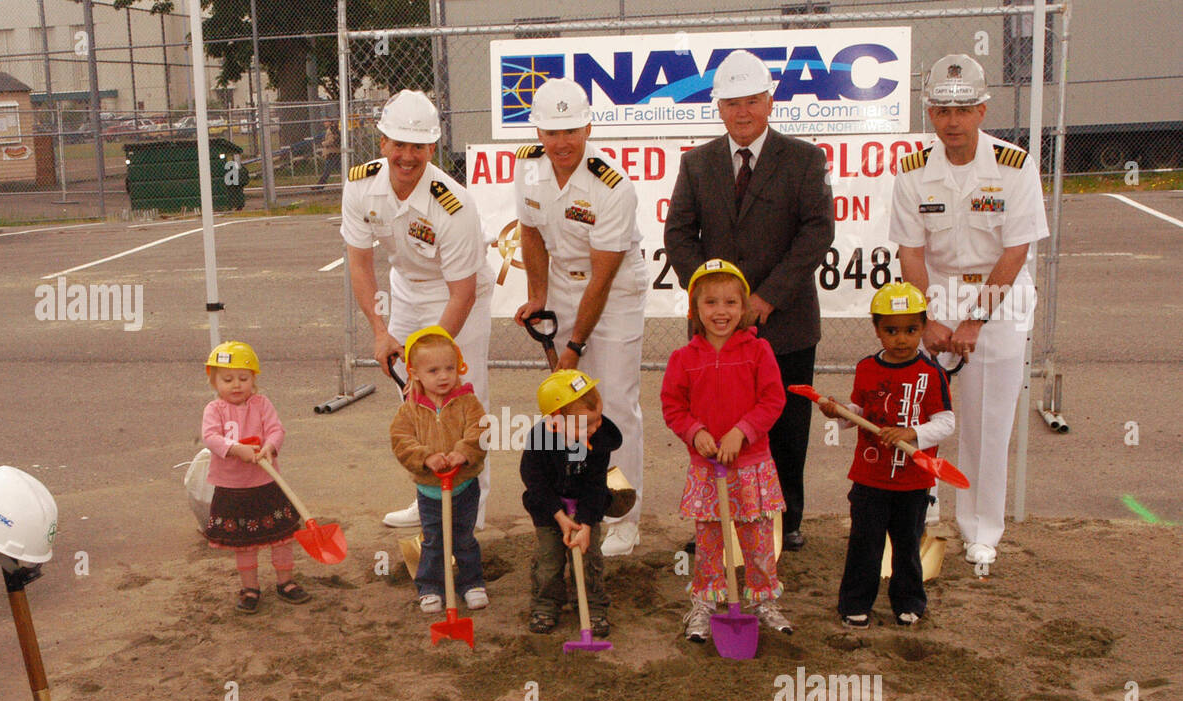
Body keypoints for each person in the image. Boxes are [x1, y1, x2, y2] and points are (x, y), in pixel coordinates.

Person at [665, 50, 834, 553]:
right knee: (715, 428)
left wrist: (764, 298)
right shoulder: (696, 164)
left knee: (784, 429)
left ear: (770, 101)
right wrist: (713, 302)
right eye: (732, 103)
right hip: (714, 331)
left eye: (752, 101)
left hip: (787, 323)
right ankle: (716, 520)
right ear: (718, 107)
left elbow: (816, 233)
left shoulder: (805, 159)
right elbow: (678, 235)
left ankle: (786, 520)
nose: (742, 112)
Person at [888, 54, 1049, 568]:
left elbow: (1016, 249)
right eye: (940, 110)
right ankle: (920, 514)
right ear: (929, 113)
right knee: (918, 415)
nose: (952, 121)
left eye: (963, 110)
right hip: (934, 296)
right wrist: (926, 320)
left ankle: (981, 531)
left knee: (986, 422)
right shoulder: (914, 171)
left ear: (983, 110)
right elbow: (910, 251)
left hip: (997, 300)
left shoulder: (1014, 166)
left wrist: (975, 320)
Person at [340, 89, 494, 529]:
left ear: (432, 147)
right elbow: (360, 261)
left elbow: (462, 292)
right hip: (405, 288)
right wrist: (379, 330)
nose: (407, 156)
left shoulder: (454, 203)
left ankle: (471, 512)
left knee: (464, 394)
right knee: (414, 395)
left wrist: (430, 349)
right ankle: (428, 494)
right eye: (398, 144)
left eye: (418, 146)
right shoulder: (359, 185)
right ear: (382, 141)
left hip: (458, 294)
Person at [513, 78, 648, 557]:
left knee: (613, 406)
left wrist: (571, 349)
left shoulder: (612, 186)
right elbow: (529, 233)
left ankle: (624, 515)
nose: (562, 142)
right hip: (565, 288)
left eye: (571, 130)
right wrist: (537, 296)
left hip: (612, 292)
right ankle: (576, 504)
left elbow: (603, 278)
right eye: (552, 132)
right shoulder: (528, 170)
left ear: (588, 126)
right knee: (568, 414)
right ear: (539, 133)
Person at [661, 259, 792, 641]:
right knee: (708, 542)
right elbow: (673, 406)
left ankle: (763, 602)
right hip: (707, 470)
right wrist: (694, 431)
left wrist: (742, 432)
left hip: (752, 466)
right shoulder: (683, 359)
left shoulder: (759, 351)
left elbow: (772, 400)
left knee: (758, 541)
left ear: (744, 307)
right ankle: (703, 605)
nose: (721, 312)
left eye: (731, 303)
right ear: (695, 310)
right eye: (712, 303)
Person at [817, 283, 956, 628]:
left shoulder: (933, 373)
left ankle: (909, 600)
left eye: (911, 330)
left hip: (913, 480)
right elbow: (862, 412)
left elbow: (946, 423)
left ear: (923, 327)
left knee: (907, 544)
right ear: (877, 330)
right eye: (891, 331)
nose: (901, 339)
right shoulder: (866, 368)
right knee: (865, 542)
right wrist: (840, 413)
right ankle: (855, 602)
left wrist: (913, 433)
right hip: (869, 476)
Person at [200, 340, 310, 613]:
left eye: (243, 378)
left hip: (266, 483)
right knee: (244, 542)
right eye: (227, 379)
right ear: (214, 382)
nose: (236, 385)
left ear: (254, 380)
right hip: (233, 487)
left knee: (281, 535)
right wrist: (236, 449)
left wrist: (270, 448)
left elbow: (276, 430)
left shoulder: (262, 404)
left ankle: (285, 581)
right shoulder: (214, 410)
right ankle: (250, 587)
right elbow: (210, 438)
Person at [389, 326, 488, 614]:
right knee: (433, 539)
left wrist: (463, 452)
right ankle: (430, 587)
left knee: (464, 537)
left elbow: (481, 430)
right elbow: (401, 441)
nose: (443, 376)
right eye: (433, 371)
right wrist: (425, 457)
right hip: (429, 489)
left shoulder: (468, 402)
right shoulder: (409, 410)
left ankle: (471, 583)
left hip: (464, 485)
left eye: (449, 368)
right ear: (415, 374)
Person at [520, 370, 622, 636]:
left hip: (586, 505)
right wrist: (559, 515)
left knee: (590, 558)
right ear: (556, 421)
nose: (595, 427)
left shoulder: (599, 439)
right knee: (549, 559)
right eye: (585, 424)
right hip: (548, 509)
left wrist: (586, 524)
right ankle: (546, 603)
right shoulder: (540, 440)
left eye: (597, 418)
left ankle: (593, 606)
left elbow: (595, 486)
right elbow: (535, 482)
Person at [316, 120, 340, 186]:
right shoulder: (332, 129)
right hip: (334, 152)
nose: (324, 123)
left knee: (327, 170)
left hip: (332, 152)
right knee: (336, 168)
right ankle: (321, 184)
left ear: (330, 122)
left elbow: (331, 141)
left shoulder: (331, 130)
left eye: (326, 121)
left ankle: (320, 184)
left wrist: (323, 143)